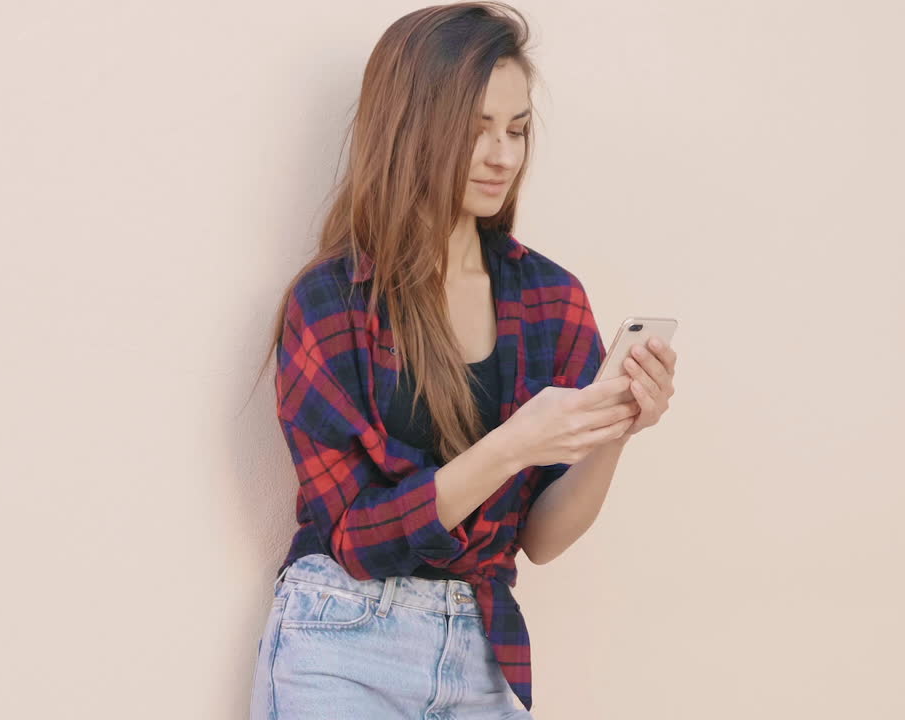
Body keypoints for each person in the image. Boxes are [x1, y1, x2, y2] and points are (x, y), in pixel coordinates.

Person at [247, 3, 678, 717]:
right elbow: (357, 536)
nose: (503, 156)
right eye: (476, 130)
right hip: (342, 639)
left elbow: (539, 539)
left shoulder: (552, 298)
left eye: (516, 130)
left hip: (484, 652)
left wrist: (613, 433)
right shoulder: (331, 302)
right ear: (413, 128)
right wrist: (515, 444)